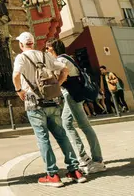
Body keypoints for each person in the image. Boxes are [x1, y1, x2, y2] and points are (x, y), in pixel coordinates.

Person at [12, 32, 87, 188]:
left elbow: (16, 75)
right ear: (33, 42)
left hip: (34, 103)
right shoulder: (44, 55)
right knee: (62, 135)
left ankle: (52, 175)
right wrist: (58, 84)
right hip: (52, 101)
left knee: (43, 138)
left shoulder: (21, 57)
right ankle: (74, 170)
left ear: (21, 45)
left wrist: (19, 90)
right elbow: (65, 69)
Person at [47, 40, 107, 175]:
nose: (46, 50)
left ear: (54, 48)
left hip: (72, 94)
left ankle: (96, 160)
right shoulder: (65, 58)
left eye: (48, 47)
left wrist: (56, 85)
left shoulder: (61, 59)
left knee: (83, 125)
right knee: (67, 122)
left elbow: (63, 73)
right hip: (73, 94)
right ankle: (84, 157)